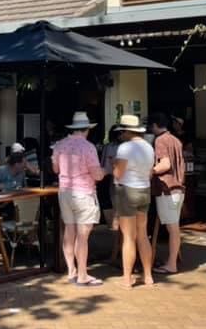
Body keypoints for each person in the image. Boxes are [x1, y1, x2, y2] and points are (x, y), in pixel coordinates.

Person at [52, 111, 105, 287]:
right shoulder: (89, 147)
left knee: (69, 231)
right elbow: (97, 175)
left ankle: (71, 271)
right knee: (83, 237)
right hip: (83, 193)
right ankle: (82, 275)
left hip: (65, 191)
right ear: (87, 129)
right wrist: (106, 171)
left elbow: (55, 169)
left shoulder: (59, 145)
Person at [113, 114, 155, 288]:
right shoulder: (149, 147)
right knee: (143, 235)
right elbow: (150, 172)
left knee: (129, 237)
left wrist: (114, 166)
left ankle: (127, 278)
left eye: (122, 131)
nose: (121, 134)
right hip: (144, 189)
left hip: (127, 191)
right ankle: (148, 276)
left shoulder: (125, 148)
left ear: (127, 131)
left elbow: (118, 174)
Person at [149, 112, 186, 274]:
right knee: (175, 226)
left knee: (172, 228)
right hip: (178, 187)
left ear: (155, 125)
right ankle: (172, 261)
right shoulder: (176, 140)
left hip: (167, 189)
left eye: (150, 126)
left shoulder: (160, 140)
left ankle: (171, 264)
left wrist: (150, 171)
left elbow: (165, 164)